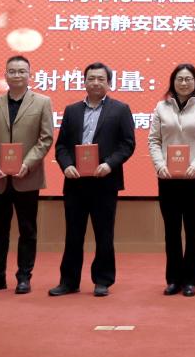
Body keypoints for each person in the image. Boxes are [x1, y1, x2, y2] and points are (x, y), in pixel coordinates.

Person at [50, 62, 135, 297]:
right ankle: (69, 281)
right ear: (84, 82)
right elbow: (61, 146)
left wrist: (109, 164)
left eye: (100, 79)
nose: (95, 83)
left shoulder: (120, 109)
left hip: (105, 181)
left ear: (109, 83)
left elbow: (127, 144)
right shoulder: (72, 110)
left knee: (104, 234)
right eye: (91, 78)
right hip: (75, 182)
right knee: (73, 234)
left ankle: (103, 280)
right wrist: (66, 165)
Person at [0, 55, 54, 294]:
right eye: (12, 71)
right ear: (5, 75)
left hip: (27, 177)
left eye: (21, 71)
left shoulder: (42, 102)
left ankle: (24, 277)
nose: (17, 75)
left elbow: (45, 138)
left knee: (27, 230)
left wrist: (27, 164)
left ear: (30, 75)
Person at [148, 63, 195, 297]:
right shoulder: (161, 107)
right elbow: (153, 140)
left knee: (193, 230)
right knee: (171, 230)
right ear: (173, 82)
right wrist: (160, 165)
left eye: (188, 79)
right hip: (167, 178)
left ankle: (190, 280)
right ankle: (173, 279)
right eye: (180, 79)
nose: (184, 83)